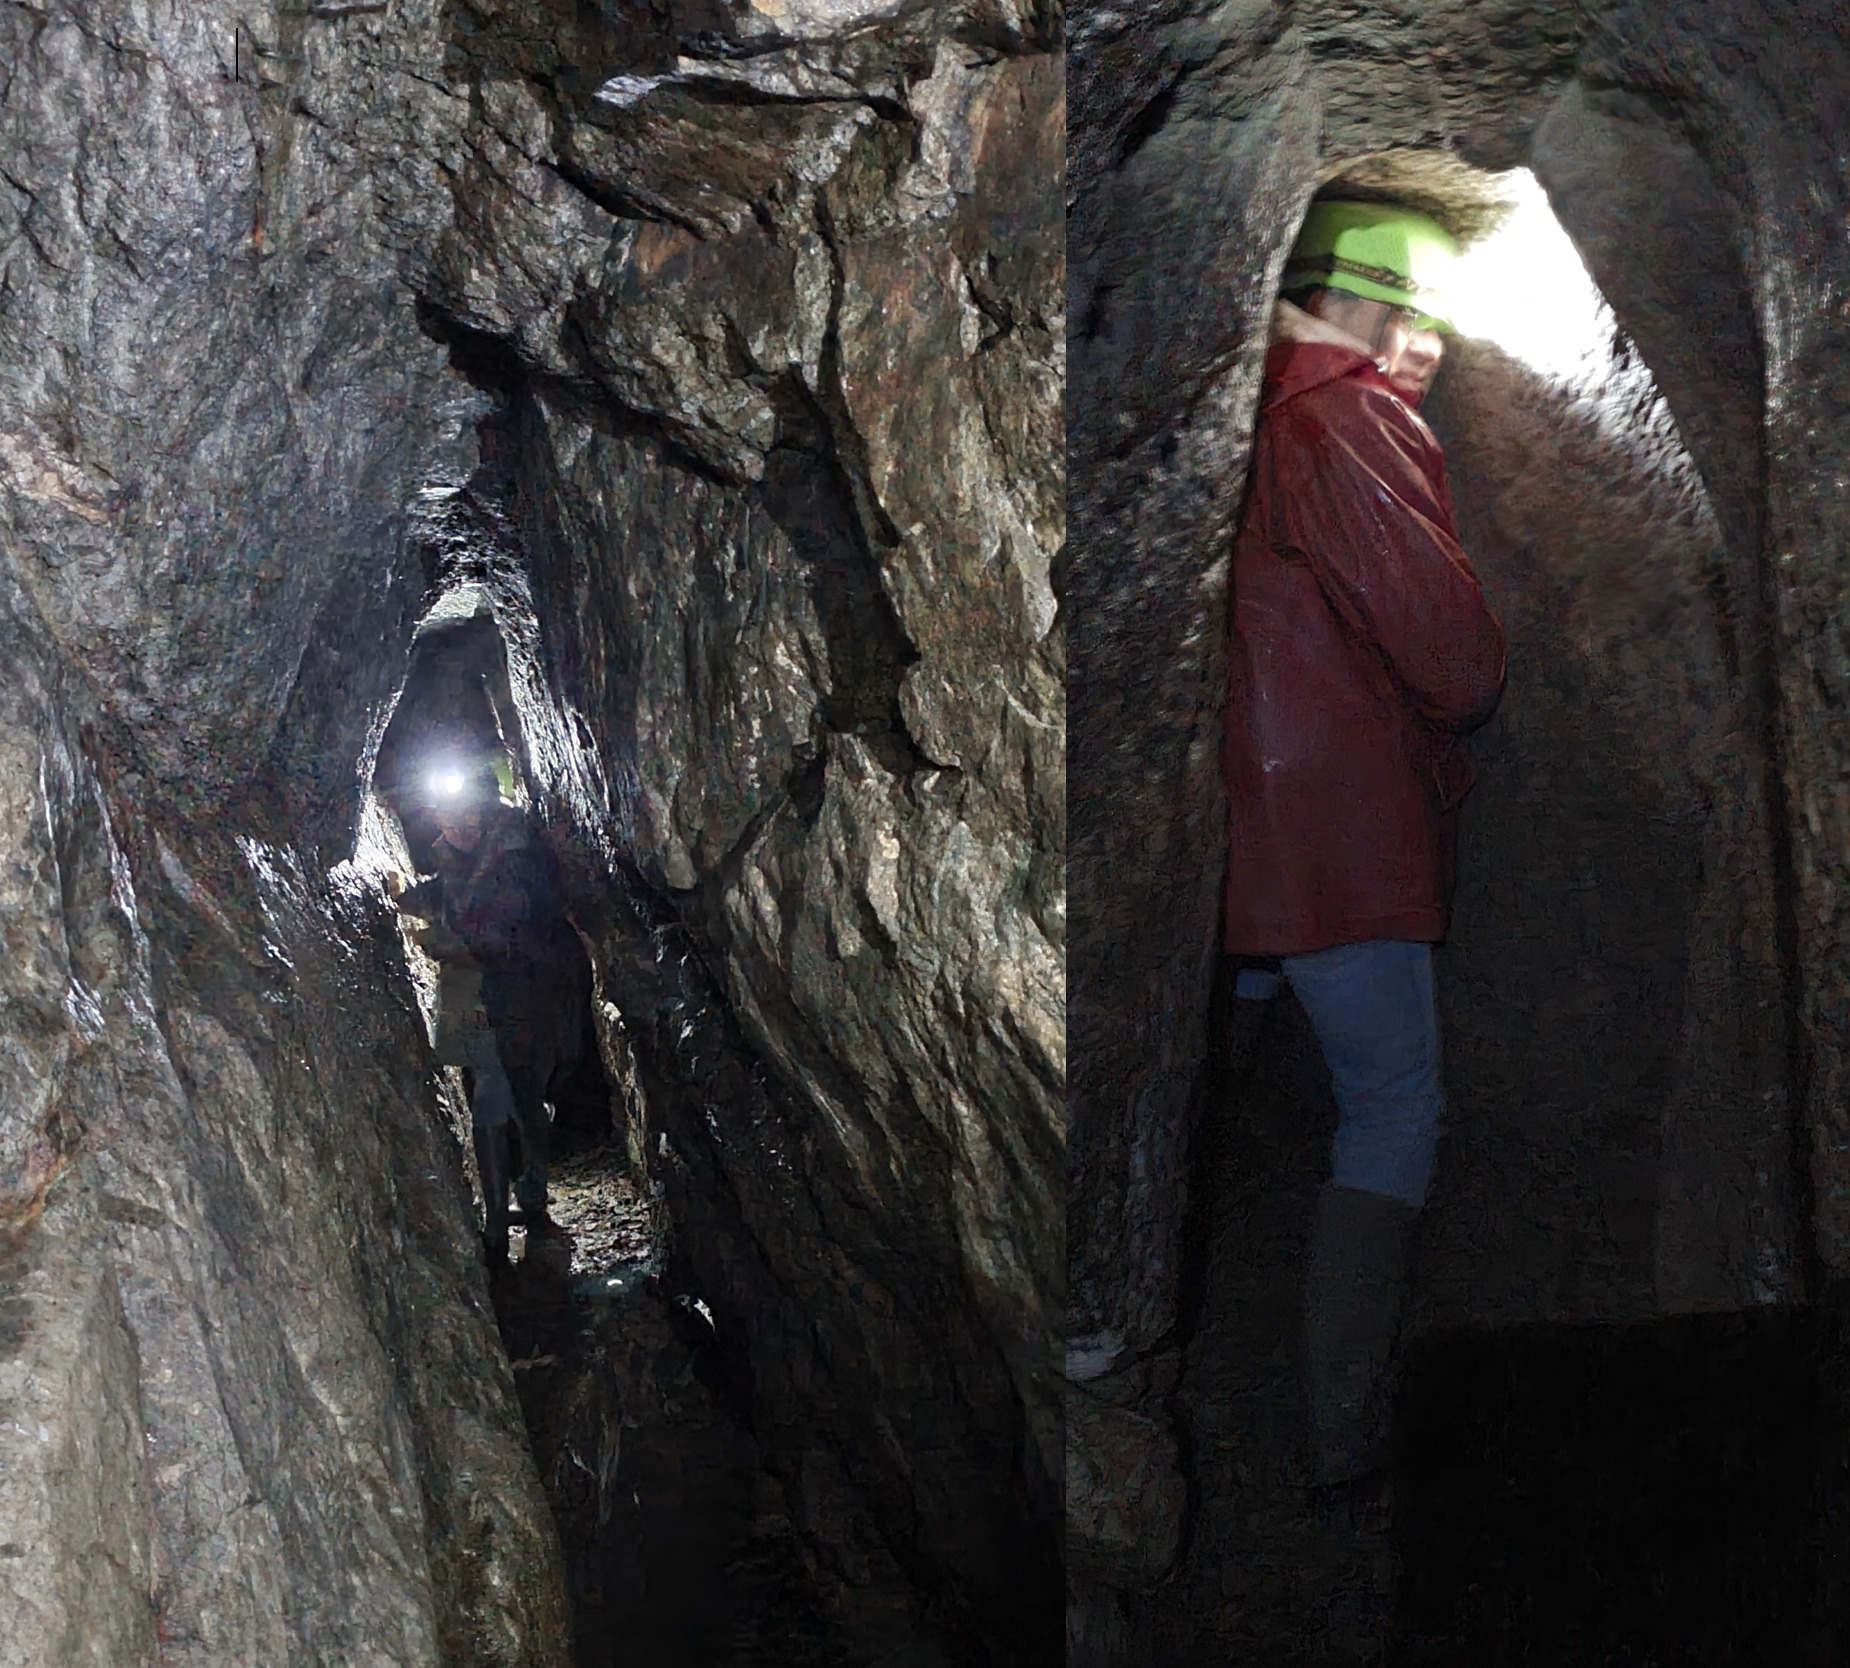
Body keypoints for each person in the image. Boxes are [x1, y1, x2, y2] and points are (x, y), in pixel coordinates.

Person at [1217, 197, 1507, 1644]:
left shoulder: (1227, 401)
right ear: (1365, 305)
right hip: (1336, 834)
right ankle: (1342, 1436)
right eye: (1418, 318)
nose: (1428, 349)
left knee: (1213, 1086)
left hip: (1235, 848)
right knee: (1392, 1109)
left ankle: (1153, 1333)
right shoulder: (1345, 417)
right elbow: (1449, 657)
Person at [393, 765, 585, 1266]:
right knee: (491, 1102)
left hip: (527, 998)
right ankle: (499, 1221)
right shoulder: (461, 854)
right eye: (445, 817)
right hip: (479, 999)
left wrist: (444, 943)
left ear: (485, 811)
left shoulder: (519, 856)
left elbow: (511, 928)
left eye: (463, 817)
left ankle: (532, 1197)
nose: (453, 826)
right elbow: (449, 892)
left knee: (527, 1101)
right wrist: (409, 898)